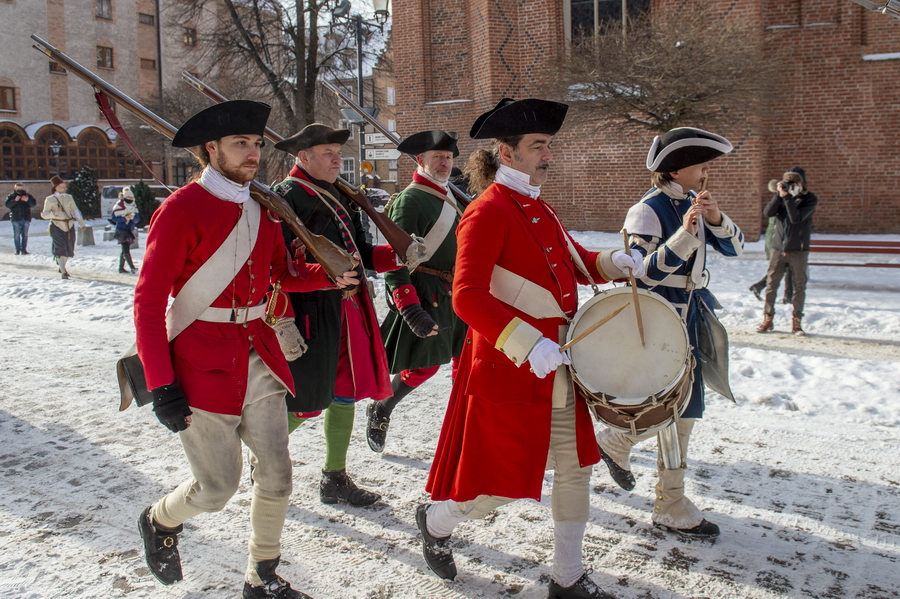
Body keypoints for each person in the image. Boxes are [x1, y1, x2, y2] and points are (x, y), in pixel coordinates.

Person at [418, 98, 644, 599]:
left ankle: (567, 577)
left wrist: (614, 261)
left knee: (575, 467)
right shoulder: (487, 210)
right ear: (507, 152)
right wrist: (527, 342)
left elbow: (571, 260)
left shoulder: (539, 205)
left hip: (562, 361)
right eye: (538, 146)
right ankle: (436, 521)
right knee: (498, 484)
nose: (548, 155)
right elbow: (466, 295)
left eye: (548, 146)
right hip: (512, 364)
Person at [134, 100, 357, 599]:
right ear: (211, 149)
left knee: (278, 476)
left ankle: (263, 576)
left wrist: (327, 275)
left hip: (259, 355)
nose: (254, 153)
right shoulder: (180, 209)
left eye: (257, 144)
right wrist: (161, 384)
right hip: (201, 364)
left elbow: (283, 274)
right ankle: (159, 519)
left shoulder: (261, 208)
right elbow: (149, 305)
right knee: (215, 490)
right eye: (242, 144)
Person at [595, 127, 744, 541]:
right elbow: (643, 273)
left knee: (687, 410)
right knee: (673, 408)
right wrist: (684, 232)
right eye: (701, 164)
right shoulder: (648, 210)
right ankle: (667, 499)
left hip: (693, 313)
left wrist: (713, 218)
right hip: (665, 322)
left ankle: (631, 457)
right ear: (678, 170)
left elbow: (738, 248)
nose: (707, 171)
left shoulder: (692, 201)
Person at [272, 124, 402, 507]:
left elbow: (360, 253)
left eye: (335, 152)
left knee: (345, 393)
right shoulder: (285, 197)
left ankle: (335, 477)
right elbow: (278, 269)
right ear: (303, 157)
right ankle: (262, 451)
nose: (335, 159)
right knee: (309, 401)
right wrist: (323, 276)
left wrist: (398, 255)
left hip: (349, 309)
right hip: (312, 312)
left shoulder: (339, 194)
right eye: (327, 153)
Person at [367, 130, 466, 453]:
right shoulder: (410, 199)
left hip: (457, 290)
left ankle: (464, 429)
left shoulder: (449, 195)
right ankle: (383, 408)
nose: (444, 163)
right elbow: (396, 261)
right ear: (420, 161)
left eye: (448, 158)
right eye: (437, 157)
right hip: (427, 292)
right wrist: (409, 307)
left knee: (465, 363)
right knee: (424, 366)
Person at [756, 166, 817, 336]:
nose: (790, 187)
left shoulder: (809, 199)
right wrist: (779, 195)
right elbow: (768, 212)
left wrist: (788, 199)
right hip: (778, 249)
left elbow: (795, 218)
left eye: (793, 184)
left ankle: (796, 322)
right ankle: (768, 319)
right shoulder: (782, 197)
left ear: (800, 184)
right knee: (771, 284)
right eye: (787, 184)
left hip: (798, 250)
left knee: (799, 286)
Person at [748, 179, 792, 304]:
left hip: (777, 239)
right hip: (776, 240)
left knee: (784, 268)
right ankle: (787, 296)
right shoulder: (780, 201)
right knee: (782, 268)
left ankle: (761, 286)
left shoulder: (781, 200)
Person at [41, 176, 86, 279]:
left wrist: (82, 223)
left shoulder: (69, 197)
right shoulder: (50, 199)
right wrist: (53, 213)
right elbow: (44, 214)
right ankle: (63, 271)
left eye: (65, 186)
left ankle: (61, 265)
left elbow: (75, 210)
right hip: (57, 226)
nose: (65, 188)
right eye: (62, 187)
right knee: (60, 247)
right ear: (56, 187)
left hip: (69, 225)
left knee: (69, 248)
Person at [111, 187, 139, 274]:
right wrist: (124, 218)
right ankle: (132, 267)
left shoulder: (134, 206)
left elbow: (137, 219)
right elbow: (114, 218)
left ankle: (121, 268)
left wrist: (132, 218)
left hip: (129, 231)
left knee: (124, 250)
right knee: (125, 249)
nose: (130, 199)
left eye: (131, 198)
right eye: (128, 198)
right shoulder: (118, 206)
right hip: (121, 230)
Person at [5, 182, 37, 255]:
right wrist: (15, 201)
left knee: (25, 235)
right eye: (18, 188)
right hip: (15, 218)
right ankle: (17, 249)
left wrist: (27, 200)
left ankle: (24, 250)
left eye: (21, 188)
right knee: (16, 235)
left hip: (25, 217)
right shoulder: (11, 196)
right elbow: (7, 205)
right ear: (15, 188)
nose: (19, 190)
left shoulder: (27, 195)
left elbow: (33, 204)